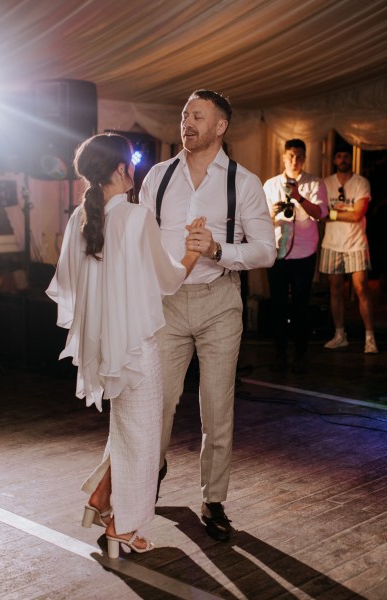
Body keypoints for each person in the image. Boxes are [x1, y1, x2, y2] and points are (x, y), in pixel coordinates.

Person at [46, 133, 204, 557]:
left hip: (102, 345)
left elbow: (66, 284)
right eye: (131, 161)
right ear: (121, 169)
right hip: (136, 346)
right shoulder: (137, 217)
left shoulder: (81, 217)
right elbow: (169, 281)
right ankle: (123, 525)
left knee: (128, 428)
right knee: (143, 437)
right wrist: (192, 250)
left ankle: (100, 498)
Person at [139, 89, 276, 541]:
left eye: (198, 116)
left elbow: (266, 252)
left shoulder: (244, 183)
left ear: (220, 127)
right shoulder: (157, 177)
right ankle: (147, 475)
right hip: (168, 303)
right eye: (183, 115)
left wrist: (218, 249)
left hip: (220, 301)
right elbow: (141, 243)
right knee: (156, 402)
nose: (187, 122)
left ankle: (214, 500)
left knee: (217, 408)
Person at [263, 139, 328, 373]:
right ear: (283, 157)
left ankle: (301, 353)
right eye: (291, 156)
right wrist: (270, 213)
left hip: (304, 252)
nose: (295, 161)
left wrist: (299, 197)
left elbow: (321, 213)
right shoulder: (270, 185)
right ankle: (279, 352)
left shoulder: (314, 183)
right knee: (278, 304)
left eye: (299, 156)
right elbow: (258, 220)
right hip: (277, 252)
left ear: (305, 158)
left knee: (301, 304)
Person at [320, 144, 378, 354]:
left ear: (350, 159)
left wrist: (334, 212)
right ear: (335, 160)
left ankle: (370, 338)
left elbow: (357, 215)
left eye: (346, 155)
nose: (343, 159)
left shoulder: (361, 182)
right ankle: (340, 335)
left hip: (355, 243)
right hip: (331, 244)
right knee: (335, 290)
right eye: (339, 156)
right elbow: (320, 213)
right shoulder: (326, 183)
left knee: (362, 288)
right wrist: (341, 211)